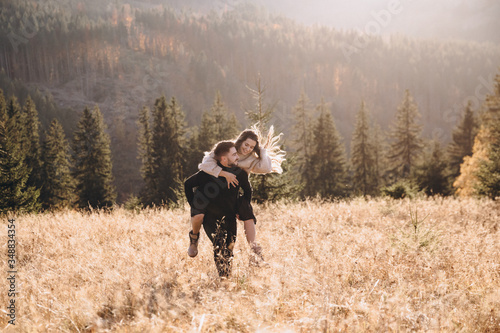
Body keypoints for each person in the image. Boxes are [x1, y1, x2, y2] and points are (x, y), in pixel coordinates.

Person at [193, 125, 285, 264]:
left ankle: (255, 252)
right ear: (240, 140)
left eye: (251, 147)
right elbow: (204, 165)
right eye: (246, 144)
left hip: (234, 193)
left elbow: (266, 168)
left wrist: (262, 151)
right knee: (221, 234)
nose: (247, 149)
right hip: (216, 193)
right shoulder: (227, 149)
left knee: (246, 210)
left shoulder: (251, 158)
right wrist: (224, 173)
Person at [184, 141, 252, 277]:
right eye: (234, 155)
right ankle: (224, 280)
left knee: (229, 249)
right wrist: (194, 206)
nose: (237, 157)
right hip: (210, 217)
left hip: (230, 216)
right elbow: (188, 184)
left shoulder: (240, 174)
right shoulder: (207, 173)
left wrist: (241, 209)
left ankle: (226, 279)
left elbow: (248, 191)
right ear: (224, 159)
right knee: (219, 246)